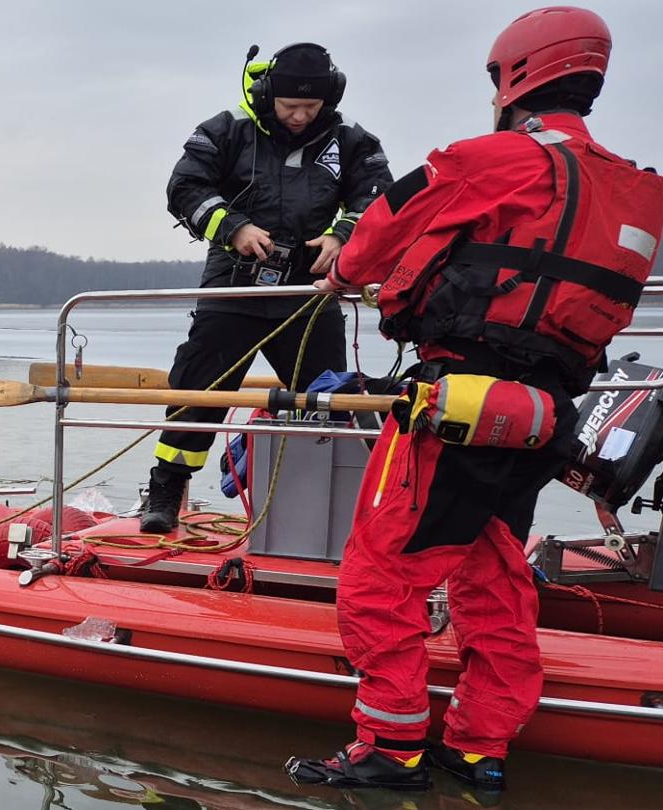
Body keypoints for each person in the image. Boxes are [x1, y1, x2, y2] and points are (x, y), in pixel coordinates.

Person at [290, 7, 663, 792]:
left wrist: (344, 272)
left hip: (456, 400)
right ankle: (478, 748)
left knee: (380, 576)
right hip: (544, 416)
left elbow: (380, 233)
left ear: (512, 78)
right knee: (494, 575)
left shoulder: (487, 159)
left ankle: (388, 750)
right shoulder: (639, 189)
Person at [144, 42, 393, 533]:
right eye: (290, 107)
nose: (300, 116)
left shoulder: (351, 141)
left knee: (327, 403)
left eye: (311, 107)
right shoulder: (226, 130)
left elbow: (379, 198)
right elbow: (184, 188)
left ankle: (328, 514)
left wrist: (342, 235)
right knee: (198, 392)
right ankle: (166, 493)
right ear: (269, 96)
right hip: (234, 287)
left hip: (309, 293)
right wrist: (232, 226)